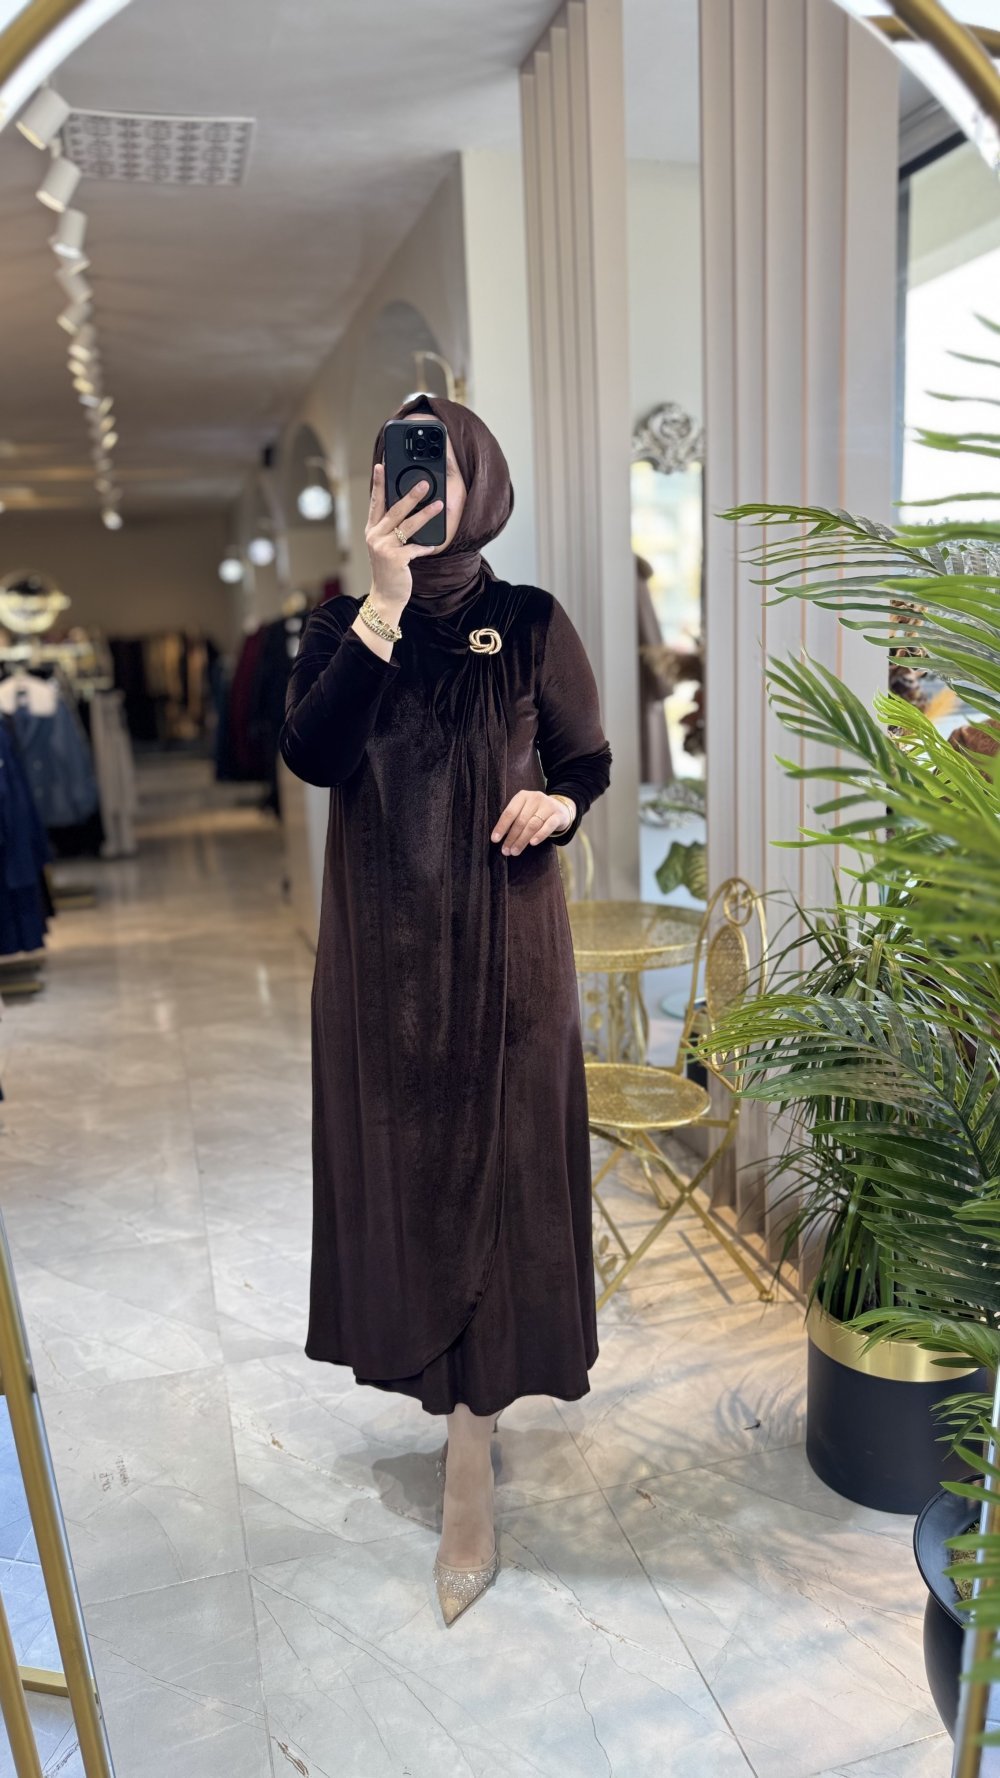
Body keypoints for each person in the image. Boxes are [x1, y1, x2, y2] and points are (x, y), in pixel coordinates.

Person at [279, 393, 613, 1625]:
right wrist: (381, 602)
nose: (410, 483)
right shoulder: (337, 626)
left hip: (510, 962)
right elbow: (313, 756)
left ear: (478, 479)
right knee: (410, 1182)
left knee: (505, 1190)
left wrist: (559, 806)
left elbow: (586, 761)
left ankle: (470, 1457)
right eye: (391, 466)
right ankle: (438, 1389)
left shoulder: (529, 622)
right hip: (384, 968)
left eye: (432, 464)